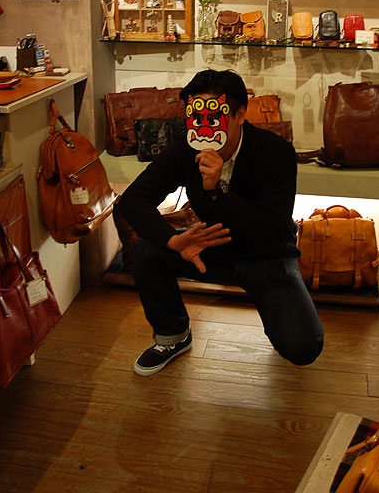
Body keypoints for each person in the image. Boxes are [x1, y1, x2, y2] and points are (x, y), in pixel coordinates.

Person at [118, 69, 324, 376]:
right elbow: (133, 200)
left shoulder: (275, 152)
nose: (203, 126)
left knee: (302, 346)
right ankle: (173, 336)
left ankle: (276, 319)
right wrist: (174, 240)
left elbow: (272, 231)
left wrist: (217, 190)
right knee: (147, 253)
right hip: (212, 246)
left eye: (214, 117)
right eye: (194, 116)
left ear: (240, 115)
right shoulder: (187, 149)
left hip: (266, 254)